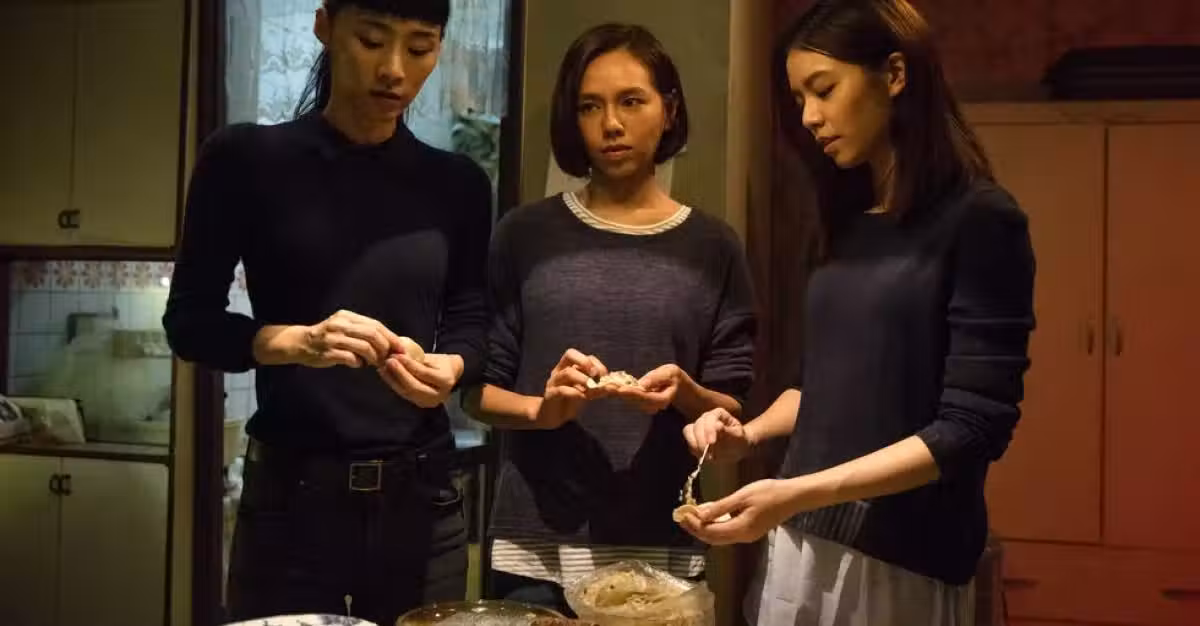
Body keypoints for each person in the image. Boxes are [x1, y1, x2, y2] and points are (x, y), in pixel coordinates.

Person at [677, 0, 1036, 624]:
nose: (810, 117)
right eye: (799, 99)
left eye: (824, 89)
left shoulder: (980, 220)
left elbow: (971, 429)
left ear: (894, 75)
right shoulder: (847, 223)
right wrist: (749, 435)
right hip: (801, 537)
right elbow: (818, 387)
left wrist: (798, 492)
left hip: (901, 555)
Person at [163, 0, 493, 623]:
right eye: (371, 40)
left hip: (422, 497)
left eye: (419, 48)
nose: (394, 69)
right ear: (324, 26)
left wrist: (451, 367)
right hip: (289, 498)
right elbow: (189, 322)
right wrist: (293, 342)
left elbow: (472, 319)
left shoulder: (458, 184)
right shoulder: (245, 160)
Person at [464, 23, 757, 615]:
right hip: (534, 548)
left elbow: (731, 407)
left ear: (669, 110)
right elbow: (475, 393)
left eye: (631, 101)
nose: (611, 124)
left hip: (662, 547)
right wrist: (543, 410)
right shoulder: (524, 235)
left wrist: (685, 392)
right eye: (590, 106)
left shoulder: (713, 247)